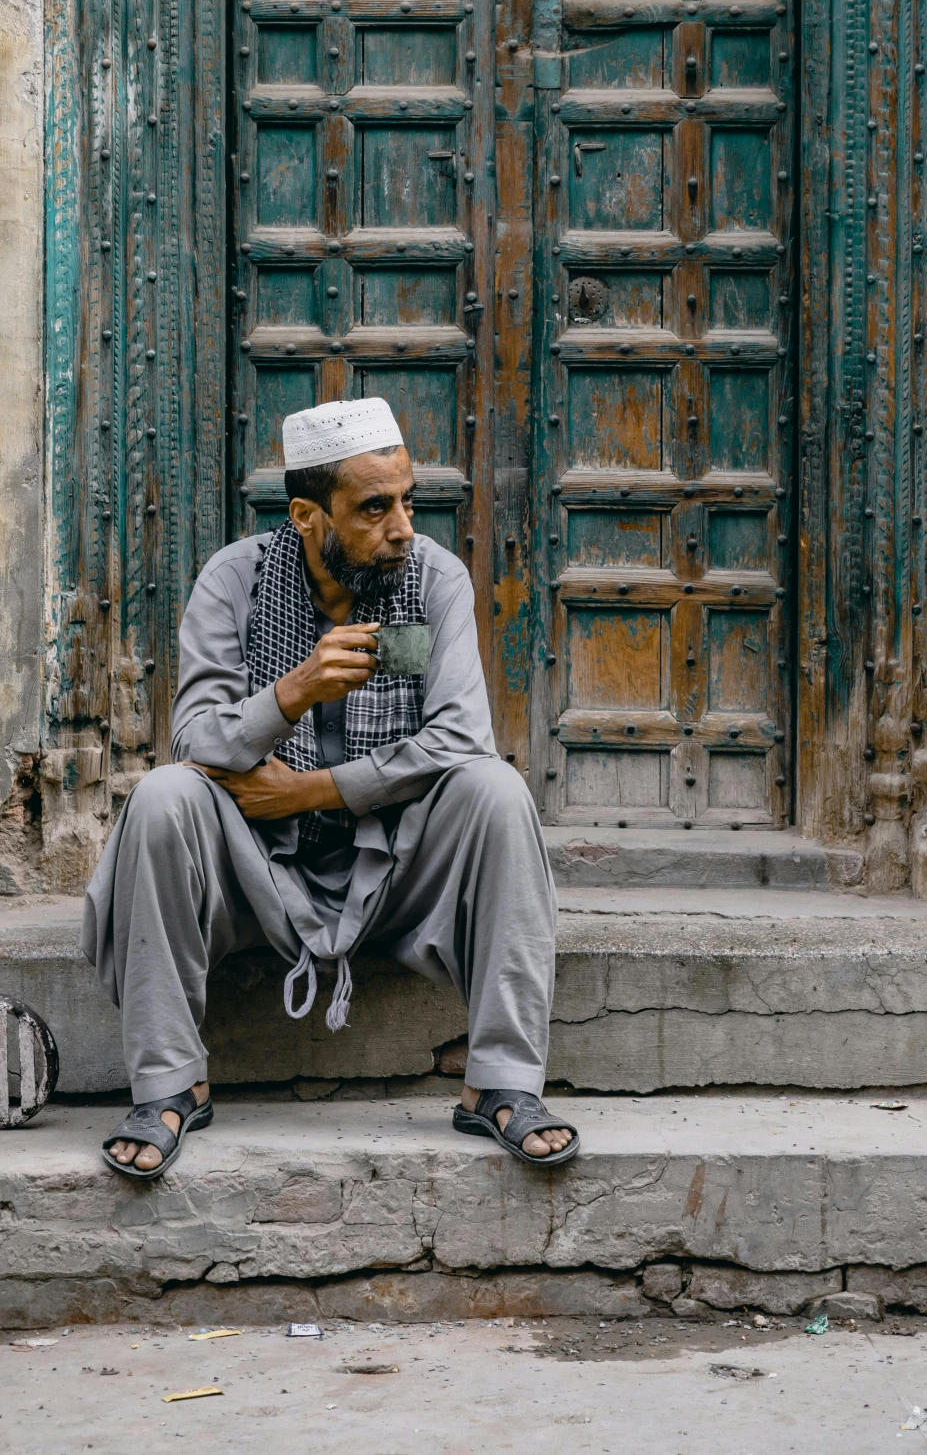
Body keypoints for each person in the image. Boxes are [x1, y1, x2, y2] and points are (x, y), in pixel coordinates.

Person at [81, 396, 579, 1179]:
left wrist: (311, 790)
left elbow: (458, 739)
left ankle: (502, 1085)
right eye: (374, 507)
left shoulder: (432, 579)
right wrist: (294, 691)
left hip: (400, 863)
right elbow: (196, 738)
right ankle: (170, 1084)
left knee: (497, 789)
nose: (402, 525)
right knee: (162, 797)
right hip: (260, 867)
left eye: (406, 500)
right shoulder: (234, 580)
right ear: (310, 516)